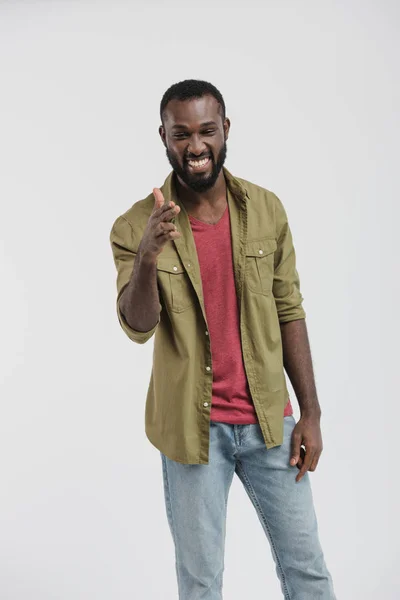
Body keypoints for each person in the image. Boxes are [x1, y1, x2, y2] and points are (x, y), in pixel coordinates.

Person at [109, 79, 336, 600]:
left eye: (206, 131)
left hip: (269, 423)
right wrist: (146, 257)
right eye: (181, 133)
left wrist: (312, 413)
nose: (195, 146)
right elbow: (137, 326)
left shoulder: (266, 210)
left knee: (308, 572)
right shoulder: (133, 226)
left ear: (225, 130)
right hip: (193, 433)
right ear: (163, 137)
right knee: (201, 582)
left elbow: (289, 310)